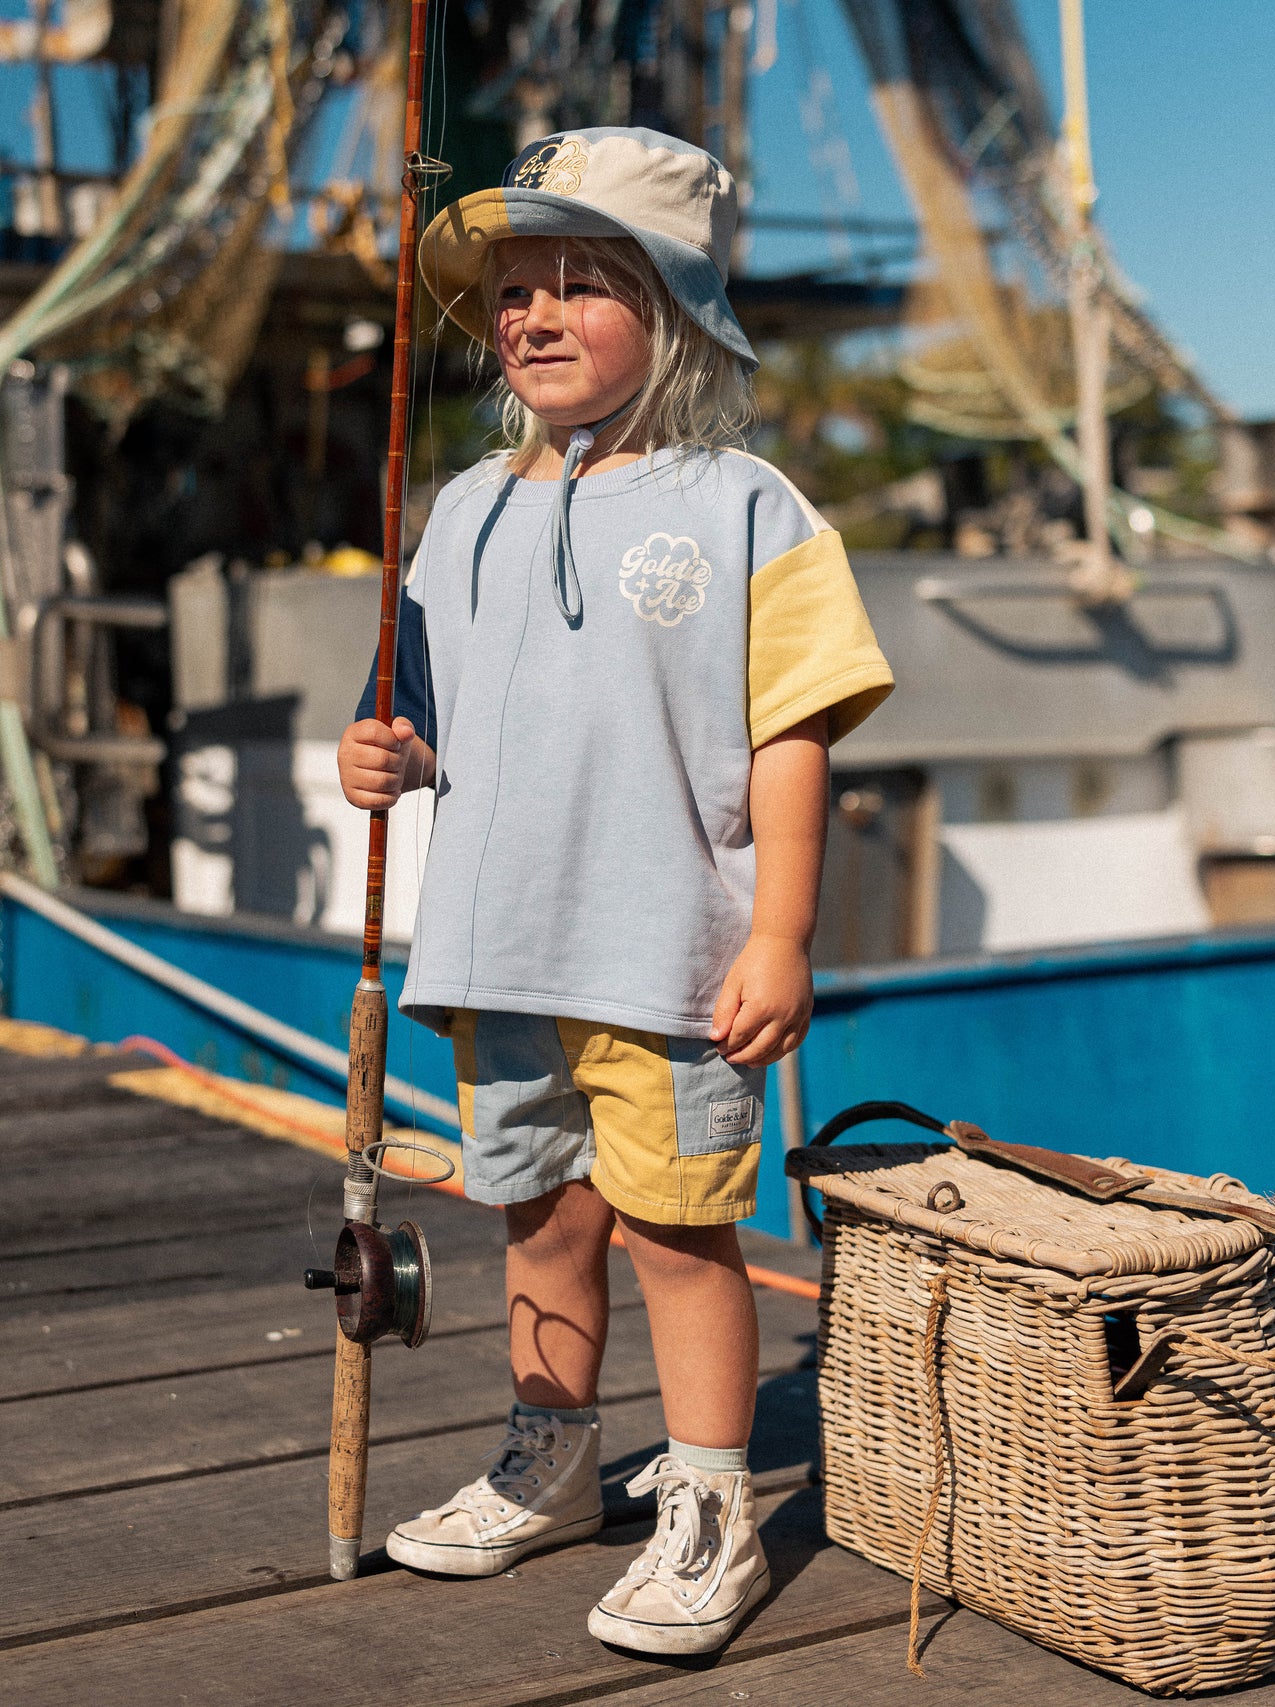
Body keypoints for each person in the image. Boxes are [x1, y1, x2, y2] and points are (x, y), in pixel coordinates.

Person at [337, 126, 893, 1656]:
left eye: (586, 281)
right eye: (516, 288)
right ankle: (555, 1454)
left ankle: (711, 1501)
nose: (534, 314)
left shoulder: (747, 506)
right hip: (497, 952)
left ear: (680, 311)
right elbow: (426, 711)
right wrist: (381, 752)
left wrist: (779, 931)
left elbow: (791, 735)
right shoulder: (460, 509)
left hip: (669, 960)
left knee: (676, 1233)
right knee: (537, 1216)